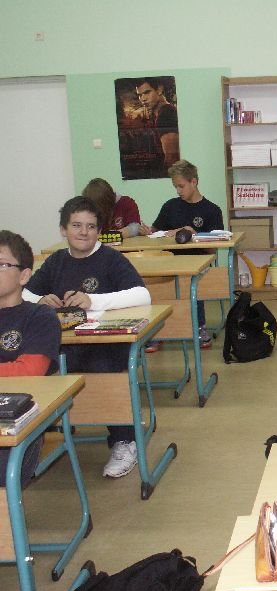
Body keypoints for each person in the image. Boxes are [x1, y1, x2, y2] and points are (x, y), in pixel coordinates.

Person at [23, 197, 152, 478]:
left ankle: (124, 439)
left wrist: (93, 300)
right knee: (40, 367)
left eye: (91, 226)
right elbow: (24, 293)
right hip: (66, 343)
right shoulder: (56, 261)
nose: (84, 232)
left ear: (99, 230)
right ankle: (40, 438)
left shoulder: (110, 259)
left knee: (103, 371)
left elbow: (142, 295)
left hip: (106, 344)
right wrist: (40, 300)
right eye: (76, 225)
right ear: (63, 229)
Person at [140, 159, 224, 349]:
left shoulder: (212, 210)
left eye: (181, 186)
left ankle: (199, 327)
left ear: (194, 182)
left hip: (198, 263)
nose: (178, 191)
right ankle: (158, 330)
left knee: (191, 281)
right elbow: (156, 232)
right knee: (157, 284)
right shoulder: (170, 206)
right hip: (170, 261)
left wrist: (195, 235)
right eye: (175, 186)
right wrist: (148, 232)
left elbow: (213, 249)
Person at [0, 230, 61, 486]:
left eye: (2, 264)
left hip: (20, 422)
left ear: (24, 275)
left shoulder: (40, 317)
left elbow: (29, 371)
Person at [135, 76, 179, 169]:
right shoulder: (159, 113)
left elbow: (172, 158)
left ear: (159, 90)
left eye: (147, 92)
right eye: (140, 95)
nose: (143, 99)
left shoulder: (166, 114)